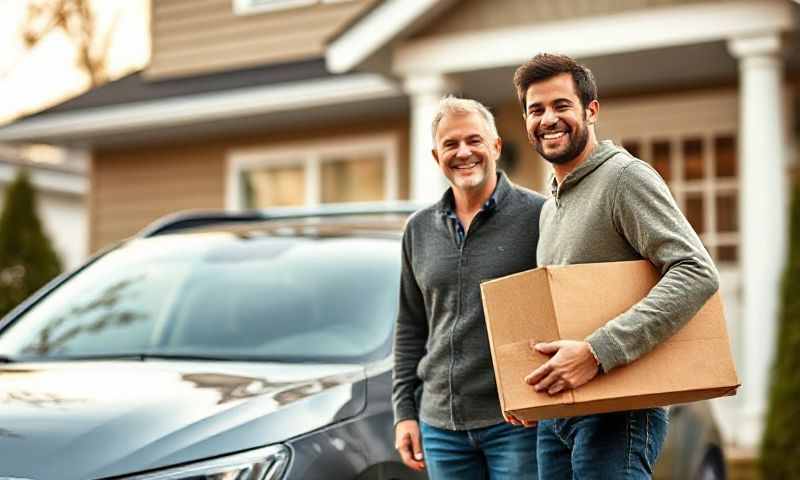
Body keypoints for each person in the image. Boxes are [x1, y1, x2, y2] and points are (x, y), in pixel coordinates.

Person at [510, 53, 720, 479]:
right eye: (536, 110)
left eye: (561, 105)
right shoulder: (550, 206)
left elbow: (696, 271)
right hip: (560, 413)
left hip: (619, 410)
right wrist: (530, 390)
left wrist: (597, 352)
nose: (548, 119)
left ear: (591, 110)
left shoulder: (625, 179)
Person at [393, 96, 544, 479]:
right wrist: (404, 413)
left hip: (516, 423)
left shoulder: (539, 216)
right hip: (440, 426)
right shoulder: (418, 229)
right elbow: (410, 327)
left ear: (495, 146)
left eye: (474, 140)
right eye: (451, 144)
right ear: (435, 156)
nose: (464, 152)